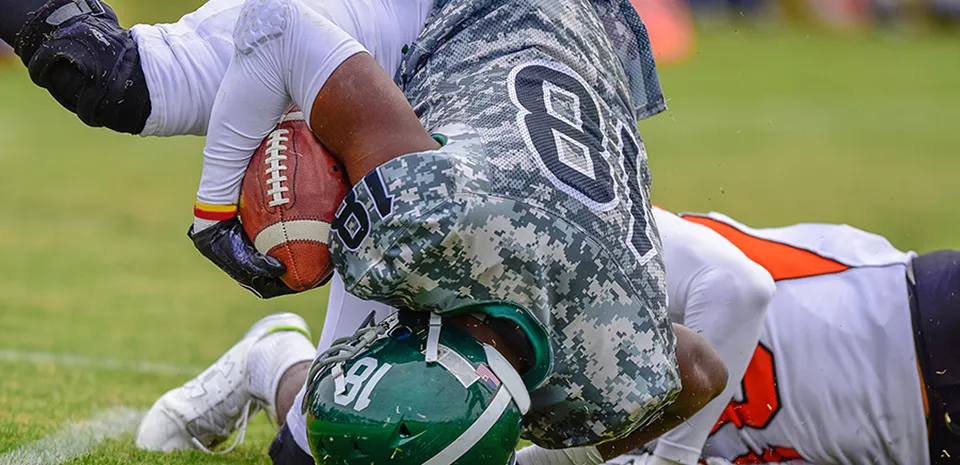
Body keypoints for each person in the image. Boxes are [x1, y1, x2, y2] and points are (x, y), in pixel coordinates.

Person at [134, 0, 732, 461]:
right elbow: (279, 24)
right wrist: (213, 212)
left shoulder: (618, 364)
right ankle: (271, 362)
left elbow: (701, 371)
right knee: (316, 450)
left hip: (593, 46)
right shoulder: (428, 217)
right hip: (491, 24)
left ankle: (271, 361)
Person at [611, 208, 945, 465]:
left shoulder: (587, 244)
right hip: (897, 445)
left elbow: (739, 287)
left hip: (904, 326)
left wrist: (673, 457)